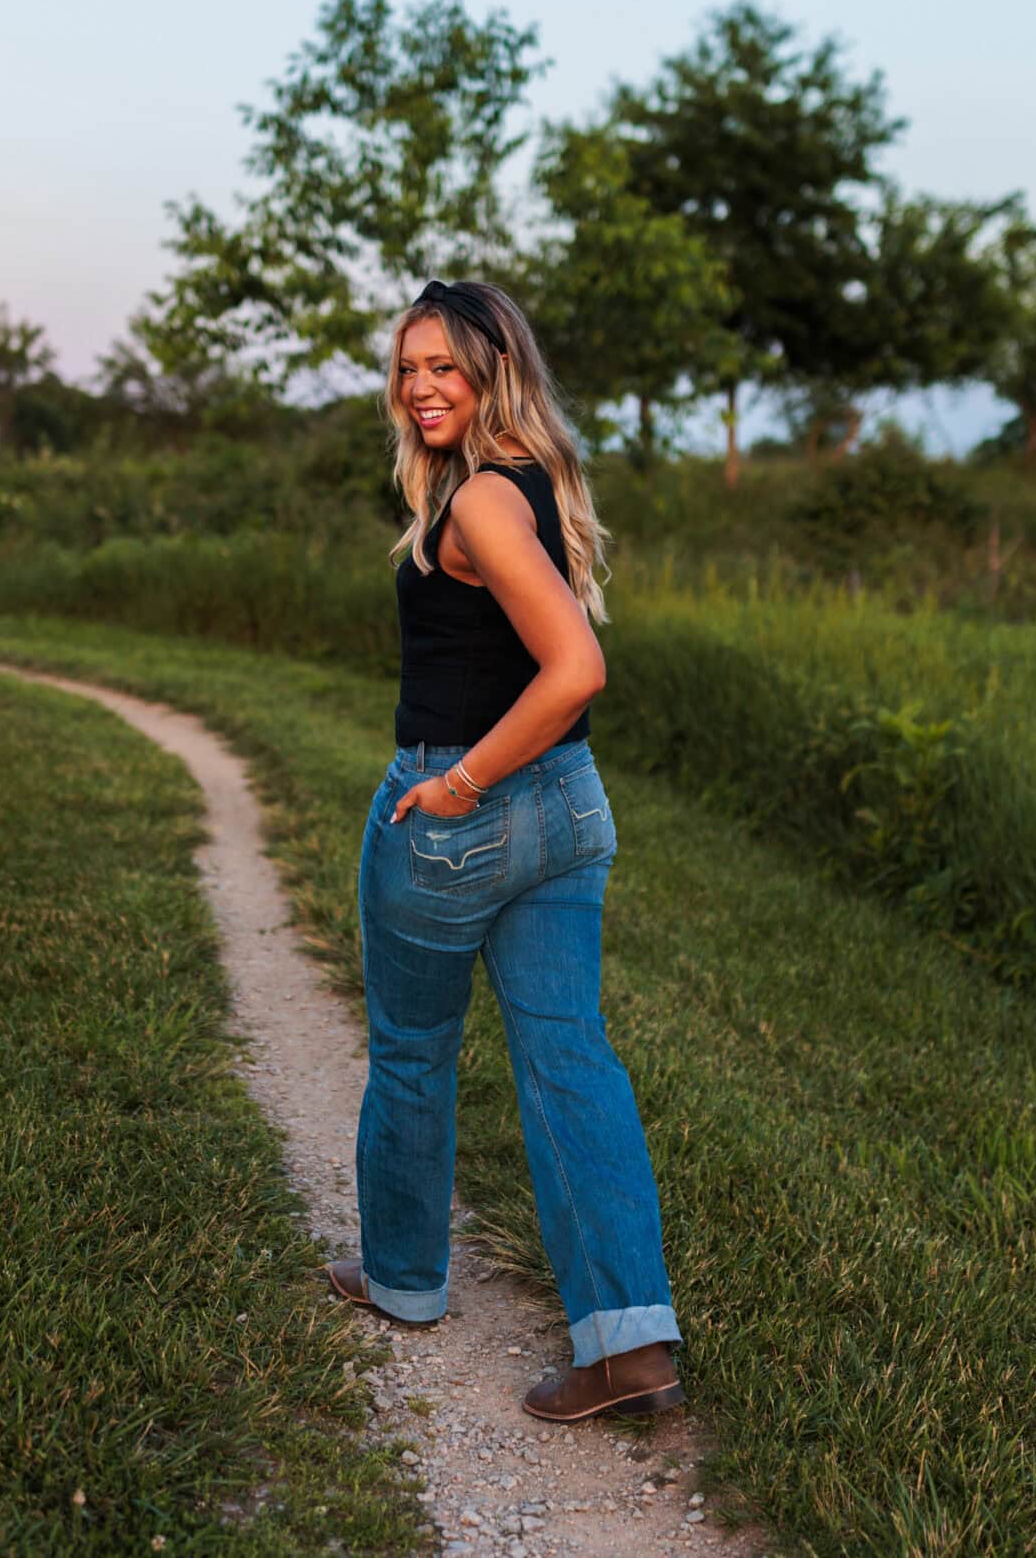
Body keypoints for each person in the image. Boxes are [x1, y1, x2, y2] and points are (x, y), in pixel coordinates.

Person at [322, 278, 685, 1423]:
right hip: (567, 807)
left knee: (414, 1048)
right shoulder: (532, 484)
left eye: (444, 366)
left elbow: (575, 670)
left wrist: (457, 784)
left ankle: (405, 1281)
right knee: (570, 1057)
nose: (421, 386)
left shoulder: (479, 499)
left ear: (494, 371)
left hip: (466, 810)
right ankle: (629, 1344)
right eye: (406, 368)